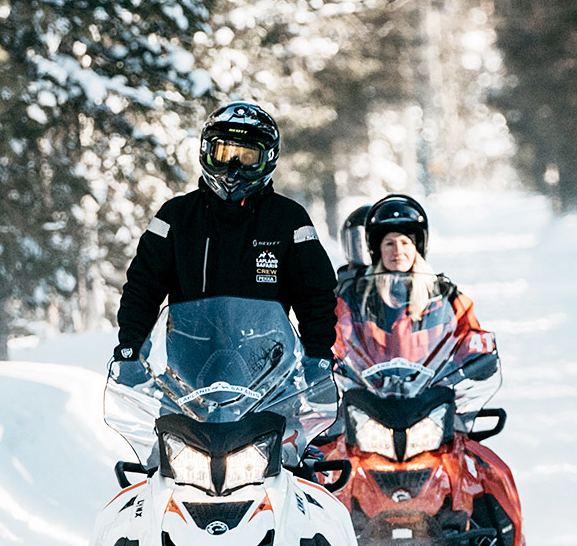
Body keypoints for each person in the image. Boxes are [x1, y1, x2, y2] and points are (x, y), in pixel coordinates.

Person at [111, 101, 339, 398]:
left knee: (300, 429)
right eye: (224, 153)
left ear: (267, 159)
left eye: (247, 156)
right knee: (154, 430)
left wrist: (318, 358)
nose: (233, 168)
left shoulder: (289, 220)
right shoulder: (176, 217)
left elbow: (316, 297)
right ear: (207, 152)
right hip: (186, 382)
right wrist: (131, 350)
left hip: (269, 383)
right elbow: (142, 289)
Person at [335, 193, 495, 375]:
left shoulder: (443, 294)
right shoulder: (356, 296)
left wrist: (476, 354)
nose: (398, 251)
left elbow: (469, 332)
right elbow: (337, 336)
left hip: (431, 388)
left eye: (405, 242)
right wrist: (328, 361)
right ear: (377, 250)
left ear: (417, 248)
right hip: (368, 389)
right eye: (389, 243)